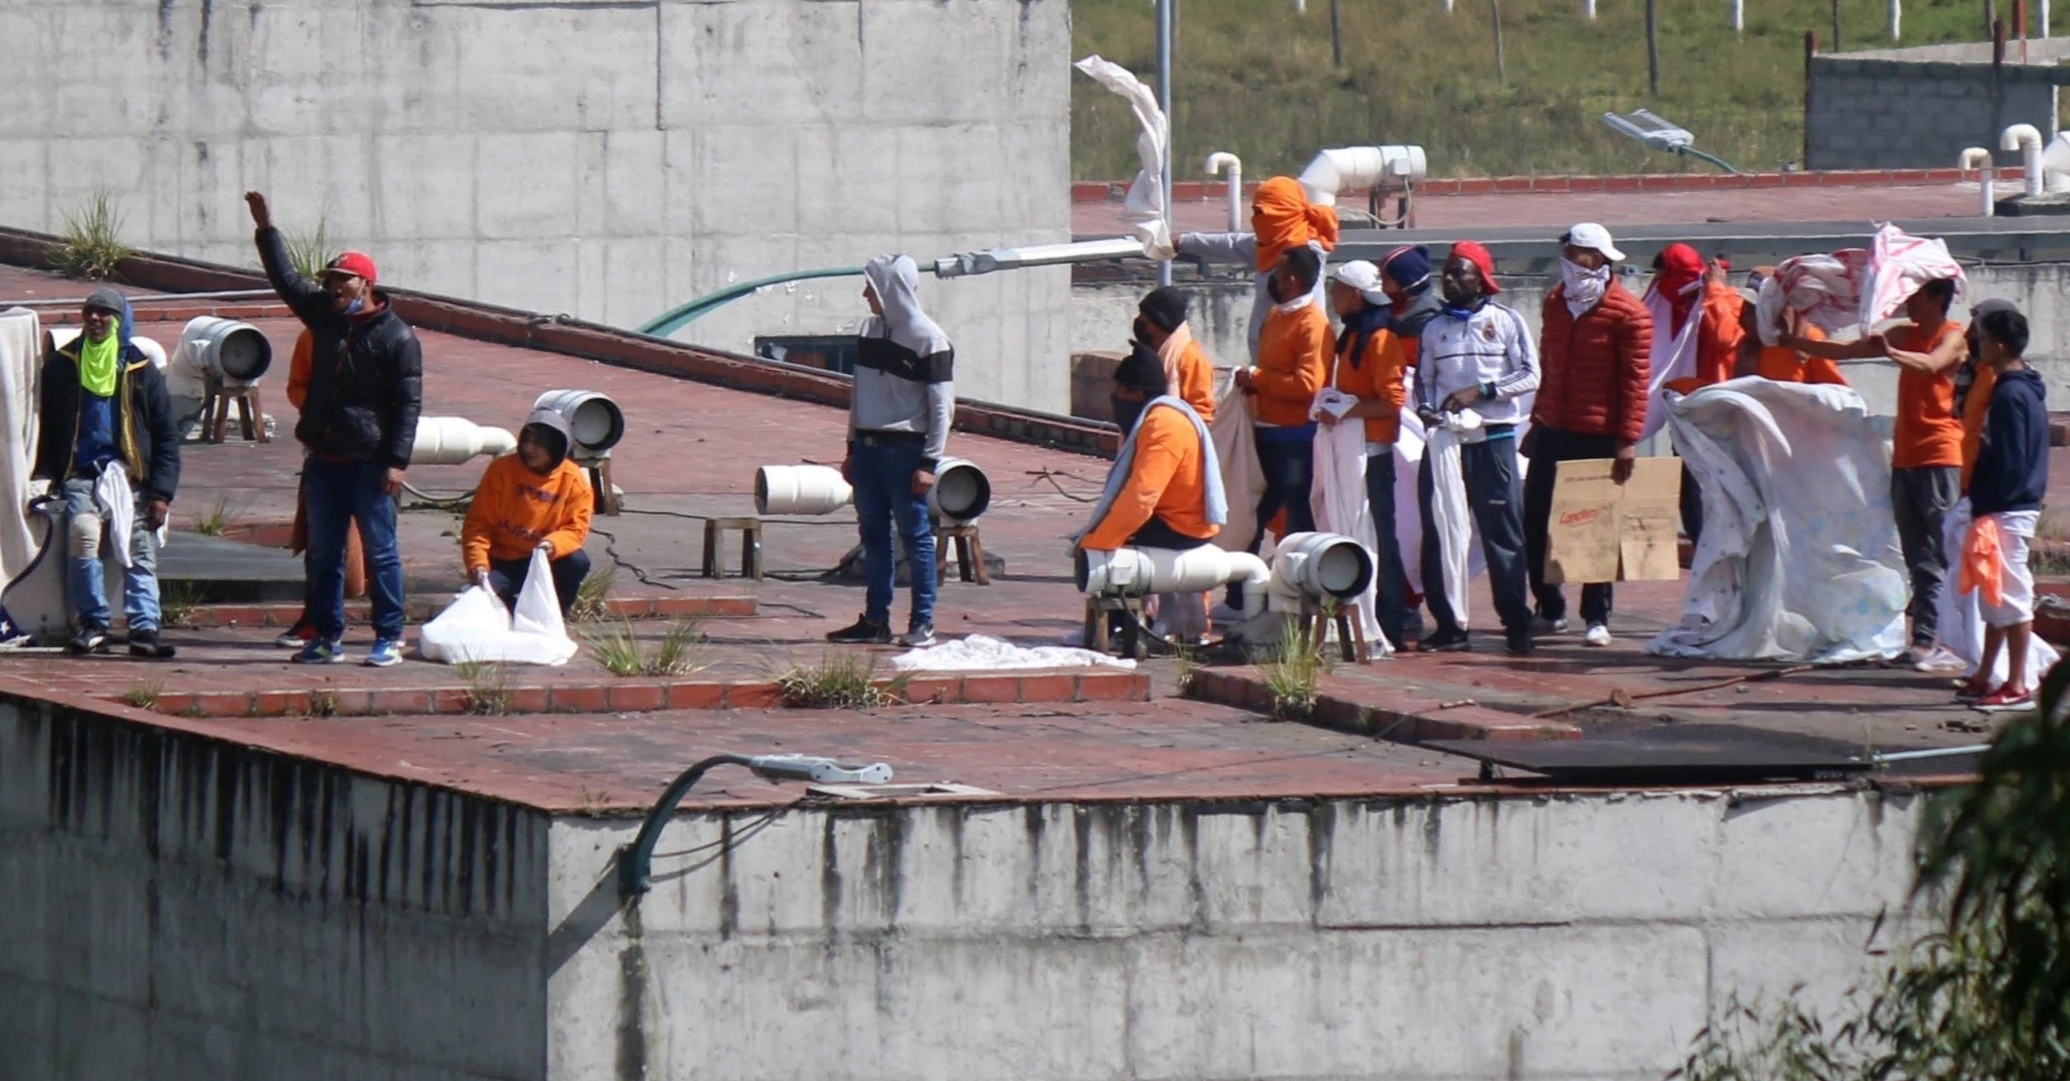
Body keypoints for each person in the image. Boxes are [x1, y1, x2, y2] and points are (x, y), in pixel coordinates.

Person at [247, 191, 423, 668]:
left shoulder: (396, 338)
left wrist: (396, 462)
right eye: (329, 283)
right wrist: (266, 230)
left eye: (341, 283)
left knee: (382, 554)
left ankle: (389, 636)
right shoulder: (325, 318)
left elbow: (408, 404)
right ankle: (326, 636)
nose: (332, 290)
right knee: (325, 555)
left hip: (369, 465)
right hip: (324, 459)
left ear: (364, 284)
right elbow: (286, 280)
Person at [1783, 278, 1966, 670]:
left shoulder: (1954, 337)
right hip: (1905, 457)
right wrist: (1798, 344)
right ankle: (1924, 639)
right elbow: (1847, 351)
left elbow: (1933, 363)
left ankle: (1964, 637)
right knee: (1918, 553)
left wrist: (1894, 352)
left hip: (1940, 455)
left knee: (1948, 548)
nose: (1908, 303)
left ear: (1936, 298)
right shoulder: (1903, 334)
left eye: (1915, 296)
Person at [31, 288, 181, 658]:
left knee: (139, 545)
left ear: (120, 320)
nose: (96, 319)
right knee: (83, 534)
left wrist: (161, 492)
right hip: (82, 475)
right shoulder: (65, 365)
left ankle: (145, 626)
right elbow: (45, 425)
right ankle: (94, 622)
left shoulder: (139, 370)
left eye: (105, 313)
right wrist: (45, 474)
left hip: (130, 477)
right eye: (90, 313)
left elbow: (165, 436)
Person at [1527, 223, 1652, 648]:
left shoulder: (1628, 313)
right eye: (1567, 253)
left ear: (1597, 258)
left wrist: (1628, 438)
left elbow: (1635, 382)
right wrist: (1537, 420)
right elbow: (1549, 367)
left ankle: (1596, 615)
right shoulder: (1557, 304)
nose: (1569, 261)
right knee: (1537, 521)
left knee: (1594, 527)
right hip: (1553, 427)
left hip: (1598, 433)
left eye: (1577, 254)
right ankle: (1549, 607)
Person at [1414, 242, 1539, 656]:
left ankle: (1516, 624)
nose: (1449, 279)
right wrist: (1429, 411)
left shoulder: (1505, 321)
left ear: (1480, 278)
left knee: (1502, 534)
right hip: (1447, 441)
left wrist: (1483, 391)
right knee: (1441, 532)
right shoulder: (1433, 328)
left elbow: (1529, 375)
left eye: (1459, 273)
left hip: (1493, 439)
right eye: (1446, 272)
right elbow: (1424, 380)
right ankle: (1449, 625)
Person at [827, 254, 954, 649]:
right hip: (867, 448)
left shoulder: (928, 338)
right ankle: (875, 619)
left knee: (915, 537)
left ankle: (922, 623)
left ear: (890, 289)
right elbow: (859, 393)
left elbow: (942, 407)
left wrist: (930, 460)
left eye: (872, 285)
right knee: (873, 535)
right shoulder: (870, 331)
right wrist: (850, 447)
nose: (866, 293)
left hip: (905, 451)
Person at [1323, 259, 1416, 649]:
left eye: (1337, 289)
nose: (1332, 296)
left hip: (1372, 453)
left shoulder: (1380, 340)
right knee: (1353, 530)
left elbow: (1392, 401)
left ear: (1355, 296)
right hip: (1349, 449)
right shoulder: (1351, 337)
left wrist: (1346, 409)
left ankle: (1390, 616)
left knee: (1379, 535)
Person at [1960, 306, 2047, 711]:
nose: (1975, 343)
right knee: (1993, 596)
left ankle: (2017, 684)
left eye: (1980, 336)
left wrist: (1985, 498)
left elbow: (2010, 460)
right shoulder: (2020, 388)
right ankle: (1986, 674)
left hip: (2007, 507)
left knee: (2010, 596)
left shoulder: (2011, 393)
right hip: (2003, 505)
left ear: (1996, 343)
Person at [1230, 245, 1330, 587]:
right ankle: (1239, 594)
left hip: (1295, 437)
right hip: (1265, 430)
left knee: (1296, 514)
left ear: (1290, 280)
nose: (1270, 278)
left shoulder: (1312, 324)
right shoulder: (1277, 315)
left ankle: (1301, 590)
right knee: (1252, 513)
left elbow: (1308, 384)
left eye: (1276, 273)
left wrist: (1257, 379)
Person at [1078, 346, 1222, 554]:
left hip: (1180, 528)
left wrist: (1098, 543)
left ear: (1137, 393)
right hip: (1174, 521)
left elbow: (1142, 495)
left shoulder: (1163, 426)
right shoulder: (1160, 418)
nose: (1114, 397)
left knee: (1111, 560)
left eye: (1119, 390)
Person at [1175, 176, 1337, 360]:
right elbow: (1229, 244)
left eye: (1261, 213)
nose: (1256, 220)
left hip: (1291, 362)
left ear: (1281, 213)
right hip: (1265, 358)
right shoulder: (1268, 244)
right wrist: (1182, 242)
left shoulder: (1305, 254)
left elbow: (1308, 320)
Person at [1648, 244, 1744, 547]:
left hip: (1722, 414)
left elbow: (1725, 337)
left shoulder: (1726, 300)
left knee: (1720, 488)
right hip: (1686, 409)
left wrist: (1715, 291)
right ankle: (1701, 541)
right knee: (1691, 487)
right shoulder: (1665, 300)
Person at [462, 409, 594, 615]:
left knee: (577, 561)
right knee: (480, 603)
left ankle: (556, 615)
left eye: (538, 444)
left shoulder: (573, 479)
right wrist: (478, 565)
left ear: (555, 446)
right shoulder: (501, 470)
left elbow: (576, 529)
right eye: (526, 441)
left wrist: (553, 544)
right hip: (503, 562)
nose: (528, 449)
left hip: (543, 563)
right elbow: (478, 525)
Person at [1733, 269, 1845, 386]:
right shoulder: (1748, 347)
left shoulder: (1809, 340)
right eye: (1746, 310)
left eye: (1755, 311)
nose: (1745, 318)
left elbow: (1836, 393)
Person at [1133, 286, 1216, 421]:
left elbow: (1202, 412)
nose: (1140, 320)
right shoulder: (1150, 353)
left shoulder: (1190, 357)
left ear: (1159, 320)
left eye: (1145, 316)